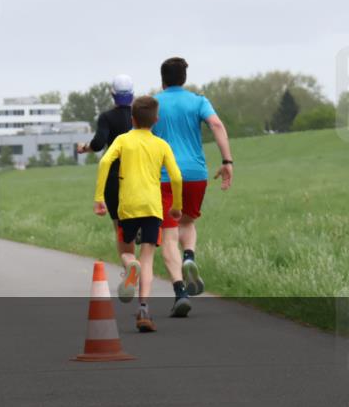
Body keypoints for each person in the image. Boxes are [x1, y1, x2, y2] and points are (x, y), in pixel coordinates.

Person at [153, 57, 234, 316]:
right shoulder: (199, 101)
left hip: (164, 176)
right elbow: (217, 125)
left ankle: (180, 292)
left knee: (168, 234)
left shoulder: (154, 103)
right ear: (184, 79)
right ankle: (189, 256)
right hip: (195, 173)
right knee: (187, 222)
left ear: (163, 79)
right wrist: (227, 161)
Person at [94, 96, 183, 331]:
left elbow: (104, 163)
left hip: (128, 207)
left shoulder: (123, 140)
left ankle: (129, 264)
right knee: (148, 259)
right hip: (153, 207)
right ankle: (143, 310)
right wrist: (177, 205)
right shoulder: (162, 145)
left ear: (132, 118)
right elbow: (175, 176)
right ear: (156, 119)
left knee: (126, 250)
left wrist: (99, 198)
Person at [78, 74, 137, 291]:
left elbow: (99, 142)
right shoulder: (141, 116)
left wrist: (84, 147)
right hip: (141, 177)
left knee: (121, 227)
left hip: (115, 179)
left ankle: (130, 263)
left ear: (112, 94)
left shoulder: (106, 118)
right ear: (133, 95)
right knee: (140, 219)